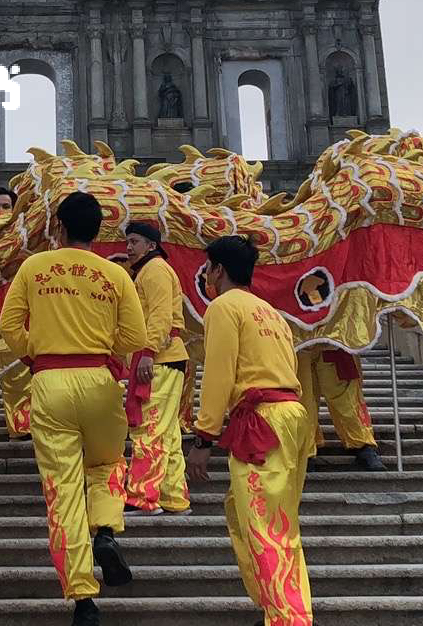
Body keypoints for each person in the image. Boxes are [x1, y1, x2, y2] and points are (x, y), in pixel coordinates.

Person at [0, 191, 147, 626]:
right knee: (106, 462)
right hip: (99, 380)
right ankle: (104, 529)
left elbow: (9, 326)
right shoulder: (115, 275)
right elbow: (135, 336)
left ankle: (83, 598)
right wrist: (106, 356)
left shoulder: (33, 267)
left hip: (49, 383)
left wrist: (36, 354)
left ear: (58, 227)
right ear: (98, 230)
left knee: (62, 489)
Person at [186, 236, 312, 626]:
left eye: (208, 268)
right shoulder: (270, 312)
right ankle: (276, 603)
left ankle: (289, 618)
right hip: (290, 415)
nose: (207, 275)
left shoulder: (223, 307)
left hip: (264, 419)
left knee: (265, 524)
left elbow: (219, 375)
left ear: (218, 270)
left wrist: (203, 437)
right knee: (253, 516)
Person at [121, 221, 191, 515]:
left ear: (151, 245)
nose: (128, 247)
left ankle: (142, 496)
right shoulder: (150, 270)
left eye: (135, 242)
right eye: (128, 242)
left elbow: (161, 315)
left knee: (149, 428)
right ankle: (173, 496)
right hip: (165, 357)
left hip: (159, 358)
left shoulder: (155, 270)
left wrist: (148, 351)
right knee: (167, 431)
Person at [296, 349, 385, 471]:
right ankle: (304, 449)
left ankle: (362, 443)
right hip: (297, 340)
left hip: (334, 340)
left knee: (346, 393)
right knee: (301, 394)